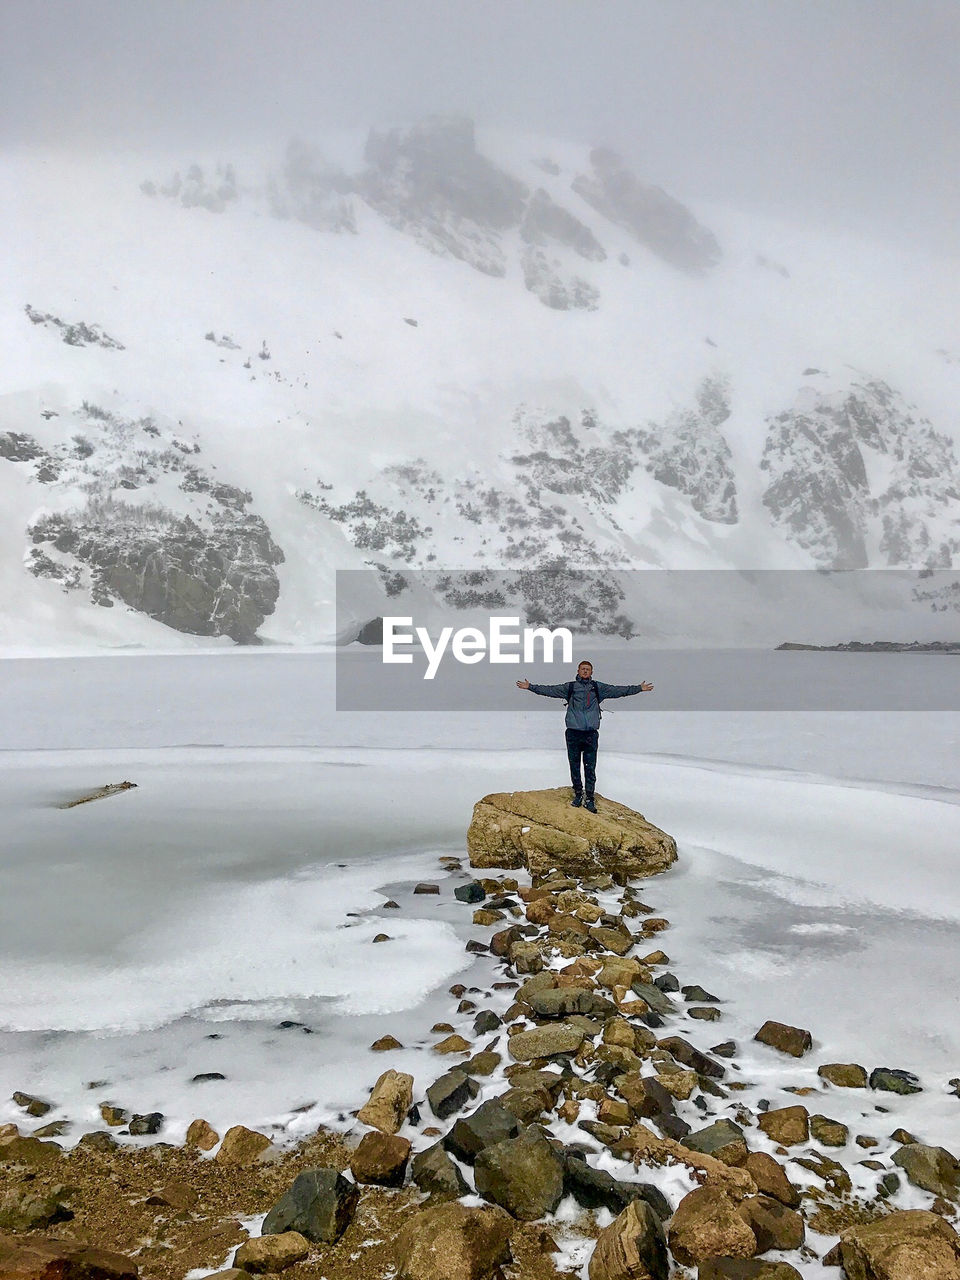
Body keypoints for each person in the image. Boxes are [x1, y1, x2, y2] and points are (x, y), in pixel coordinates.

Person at [516, 660, 653, 812]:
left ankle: (590, 798)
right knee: (574, 766)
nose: (585, 671)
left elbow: (619, 691)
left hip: (590, 734)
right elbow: (550, 690)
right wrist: (530, 687)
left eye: (588, 669)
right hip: (573, 733)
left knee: (590, 767)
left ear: (592, 672)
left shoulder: (597, 687)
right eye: (583, 669)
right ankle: (578, 794)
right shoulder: (570, 687)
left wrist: (639, 688)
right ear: (578, 671)